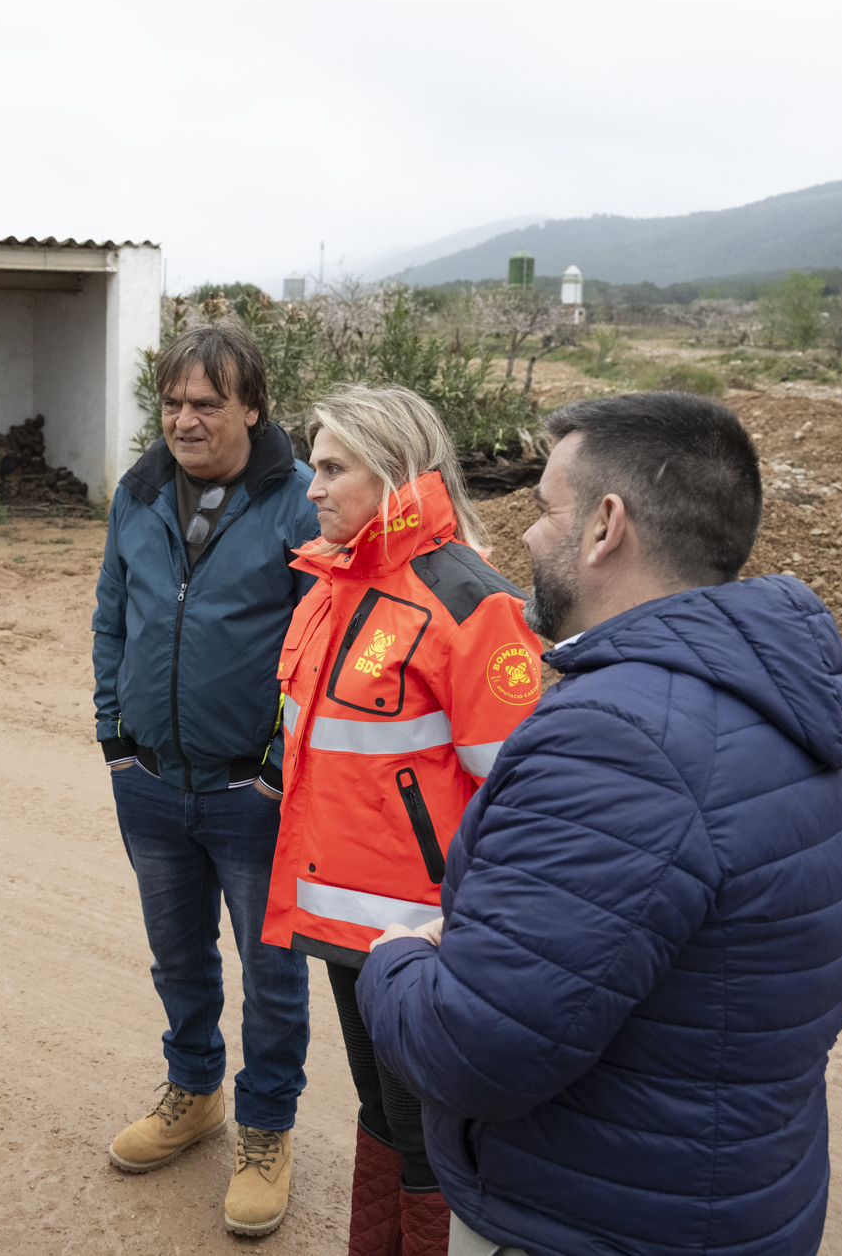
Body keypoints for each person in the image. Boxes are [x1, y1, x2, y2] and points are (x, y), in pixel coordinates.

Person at [357, 391, 842, 1256]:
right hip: (720, 1196)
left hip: (588, 1220)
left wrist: (398, 959)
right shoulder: (770, 701)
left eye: (542, 510)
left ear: (604, 526)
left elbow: (473, 1051)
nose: (523, 537)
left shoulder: (616, 740)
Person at [259, 384, 543, 1256]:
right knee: (380, 1115)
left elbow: (523, 799)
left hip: (422, 935)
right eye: (314, 466)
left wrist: (470, 928)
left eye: (333, 468)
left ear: (392, 471)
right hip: (344, 923)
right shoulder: (330, 581)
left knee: (429, 1139)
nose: (312, 487)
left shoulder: (470, 601)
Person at [92, 322, 322, 1236]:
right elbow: (111, 615)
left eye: (207, 403)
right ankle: (195, 1093)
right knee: (177, 956)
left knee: (273, 973)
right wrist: (113, 735)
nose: (184, 420)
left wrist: (273, 765)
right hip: (148, 781)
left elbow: (313, 651)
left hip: (249, 792)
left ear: (251, 408)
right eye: (173, 402)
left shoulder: (298, 501)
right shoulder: (138, 491)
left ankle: (265, 1125)